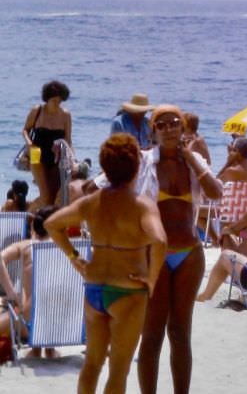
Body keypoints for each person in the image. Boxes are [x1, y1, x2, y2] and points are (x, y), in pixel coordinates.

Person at [89, 105, 222, 394]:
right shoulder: (141, 161)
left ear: (184, 127)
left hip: (190, 254)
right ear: (153, 131)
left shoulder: (193, 161)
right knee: (152, 335)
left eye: (175, 123)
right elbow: (95, 188)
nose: (170, 128)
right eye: (161, 125)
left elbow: (216, 192)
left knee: (180, 333)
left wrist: (191, 158)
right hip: (153, 258)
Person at [45, 133, 167, 394]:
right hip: (128, 290)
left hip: (95, 288)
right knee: (119, 370)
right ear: (136, 167)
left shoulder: (91, 202)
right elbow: (159, 241)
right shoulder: (142, 206)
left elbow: (51, 224)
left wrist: (74, 257)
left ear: (105, 168)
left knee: (91, 365)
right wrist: (152, 279)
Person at [0, 206, 56, 358]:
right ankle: (48, 349)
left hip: (30, 325)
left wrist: (11, 293)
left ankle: (36, 349)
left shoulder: (27, 246)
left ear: (34, 225)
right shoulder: (71, 249)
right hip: (62, 325)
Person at [23, 80, 72, 207]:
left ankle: (37, 218)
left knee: (53, 196)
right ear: (47, 98)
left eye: (60, 101)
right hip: (36, 154)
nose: (57, 104)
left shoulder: (65, 115)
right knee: (45, 196)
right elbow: (25, 130)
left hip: (56, 157)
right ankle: (28, 215)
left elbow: (68, 139)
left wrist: (72, 158)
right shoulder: (37, 110)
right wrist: (29, 143)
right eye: (54, 101)